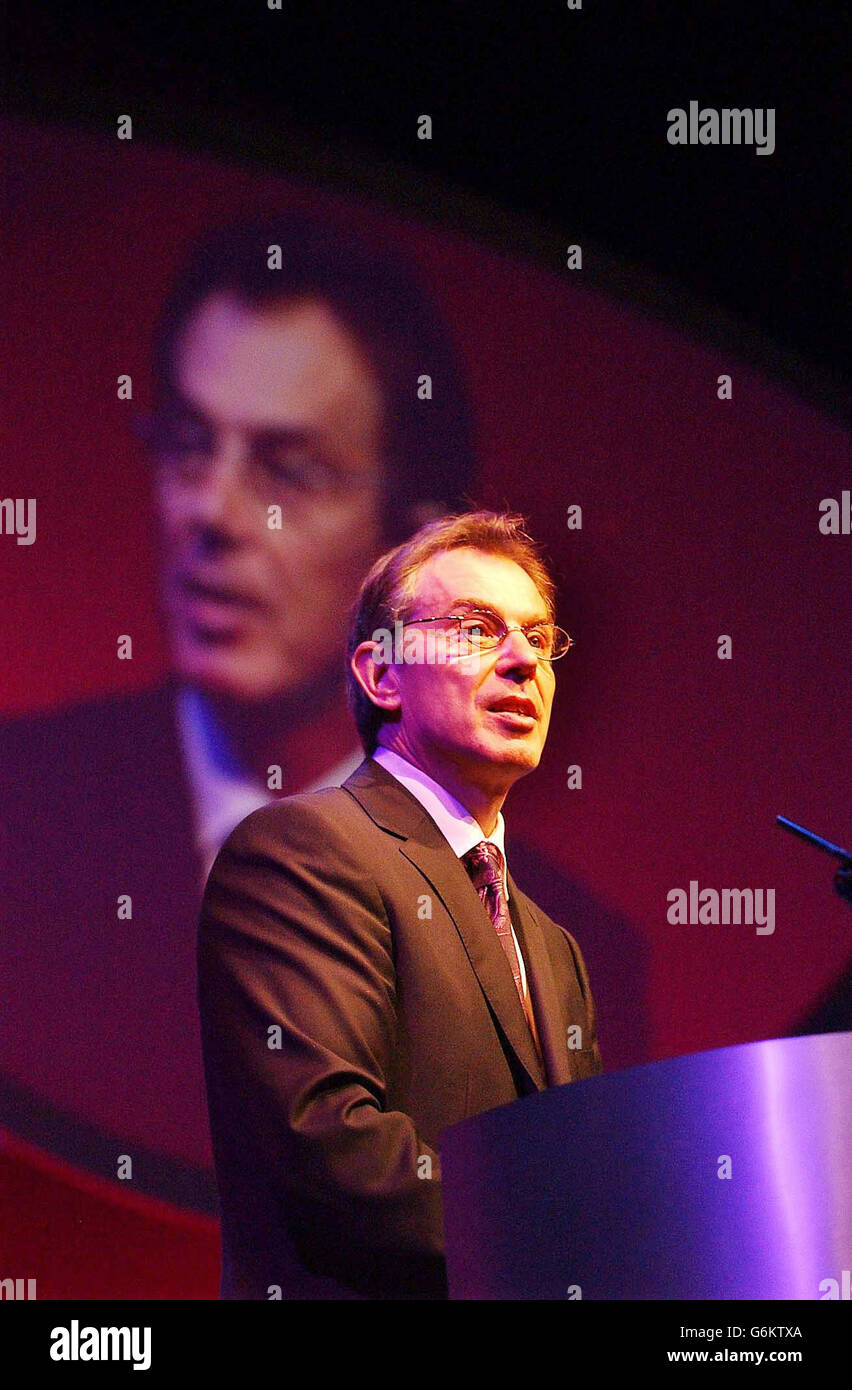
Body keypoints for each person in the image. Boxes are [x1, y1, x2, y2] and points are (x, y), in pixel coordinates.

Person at [0, 213, 476, 1193]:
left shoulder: (548, 936)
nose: (210, 514)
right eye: (186, 444)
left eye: (285, 470)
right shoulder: (18, 803)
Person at [198, 510, 603, 1300]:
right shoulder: (303, 853)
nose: (524, 662)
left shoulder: (555, 947)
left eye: (540, 637)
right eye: (477, 629)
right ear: (382, 674)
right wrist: (582, 1242)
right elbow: (330, 1151)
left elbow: (571, 1165)